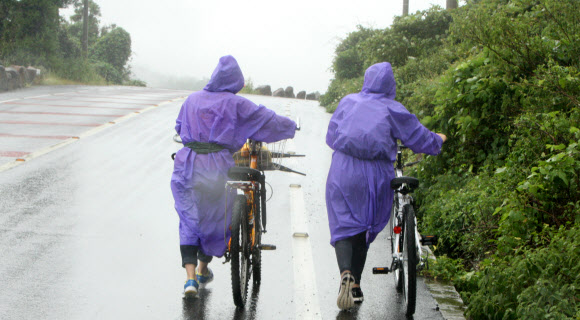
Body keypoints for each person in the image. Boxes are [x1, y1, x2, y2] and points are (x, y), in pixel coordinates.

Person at [171, 55, 297, 299]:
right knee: (214, 215)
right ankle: (203, 267)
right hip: (216, 167)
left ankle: (190, 280)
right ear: (235, 80)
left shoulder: (192, 100)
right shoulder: (236, 103)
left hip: (186, 165)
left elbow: (179, 127)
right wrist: (291, 127)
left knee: (188, 218)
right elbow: (266, 119)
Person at [325, 61, 447, 310]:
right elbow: (419, 137)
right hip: (375, 172)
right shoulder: (393, 108)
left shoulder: (348, 102)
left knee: (344, 225)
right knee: (364, 227)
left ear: (366, 80)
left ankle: (347, 275)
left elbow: (331, 137)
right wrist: (438, 140)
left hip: (342, 170)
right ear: (390, 85)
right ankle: (355, 282)